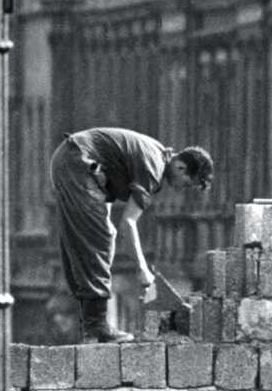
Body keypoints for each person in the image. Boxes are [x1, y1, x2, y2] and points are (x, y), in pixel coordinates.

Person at [50, 127, 213, 342]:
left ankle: (91, 323)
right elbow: (128, 223)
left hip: (72, 160)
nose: (181, 190)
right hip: (78, 163)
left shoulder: (157, 153)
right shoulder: (154, 167)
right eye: (187, 184)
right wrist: (143, 271)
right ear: (181, 167)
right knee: (99, 239)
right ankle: (96, 326)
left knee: (92, 236)